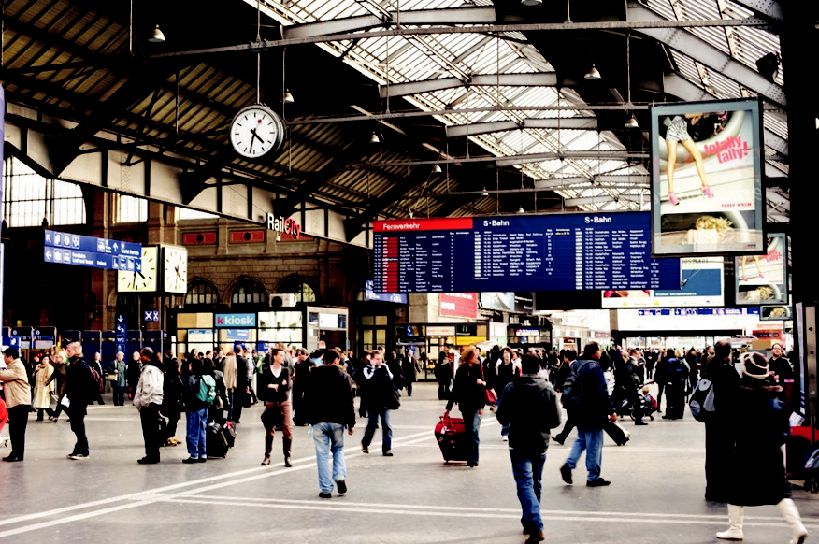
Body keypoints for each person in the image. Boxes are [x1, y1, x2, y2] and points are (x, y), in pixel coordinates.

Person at [715, 351, 808, 544]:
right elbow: (785, 428)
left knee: (735, 489)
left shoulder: (739, 395)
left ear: (745, 371)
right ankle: (797, 527)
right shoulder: (775, 397)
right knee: (780, 492)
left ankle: (735, 529)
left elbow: (729, 426)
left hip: (745, 452)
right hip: (772, 452)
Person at [495, 354, 562, 544]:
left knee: (525, 483)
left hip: (518, 441)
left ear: (522, 367)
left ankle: (535, 524)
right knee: (536, 482)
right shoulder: (547, 388)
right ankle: (530, 520)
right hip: (540, 442)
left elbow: (501, 416)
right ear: (539, 367)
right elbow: (556, 420)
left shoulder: (512, 388)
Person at [559, 342, 617, 487]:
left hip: (578, 410)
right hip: (593, 411)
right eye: (599, 350)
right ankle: (593, 476)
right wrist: (610, 410)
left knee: (581, 439)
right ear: (594, 353)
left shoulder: (576, 365)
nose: (601, 352)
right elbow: (602, 391)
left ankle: (569, 465)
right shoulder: (594, 367)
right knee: (594, 444)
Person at [303, 348, 356, 499]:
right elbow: (349, 402)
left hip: (318, 420)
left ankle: (326, 489)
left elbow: (306, 398)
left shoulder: (312, 375)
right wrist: (351, 423)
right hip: (337, 420)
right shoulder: (344, 376)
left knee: (322, 455)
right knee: (338, 449)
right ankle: (339, 476)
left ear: (323, 360)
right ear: (337, 360)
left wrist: (307, 417)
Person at [702, 339, 740, 503]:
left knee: (712, 452)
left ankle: (712, 489)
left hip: (711, 415)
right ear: (728, 352)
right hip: (726, 417)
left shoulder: (709, 366)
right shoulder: (728, 370)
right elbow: (735, 394)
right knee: (726, 452)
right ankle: (724, 489)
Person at [444, 346, 486, 467]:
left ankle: (474, 458)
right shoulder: (461, 370)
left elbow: (481, 388)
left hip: (476, 404)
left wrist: (481, 405)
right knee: (468, 431)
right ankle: (469, 457)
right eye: (474, 355)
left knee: (474, 431)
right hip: (465, 404)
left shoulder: (478, 368)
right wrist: (448, 407)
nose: (476, 357)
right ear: (468, 357)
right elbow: (457, 389)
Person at [664, 112, 713, 206]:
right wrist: (700, 113)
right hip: (674, 129)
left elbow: (692, 123)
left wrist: (698, 116)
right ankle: (671, 193)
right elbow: (686, 115)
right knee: (672, 160)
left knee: (698, 156)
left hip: (683, 130)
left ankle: (705, 186)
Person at [258, 347, 294, 467]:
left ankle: (287, 456)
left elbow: (287, 387)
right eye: (281, 355)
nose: (283, 357)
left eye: (283, 355)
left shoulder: (285, 370)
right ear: (274, 356)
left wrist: (273, 385)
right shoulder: (267, 370)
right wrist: (278, 385)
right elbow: (263, 388)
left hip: (284, 402)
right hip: (271, 402)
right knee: (270, 430)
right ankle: (267, 456)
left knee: (287, 429)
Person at [360, 350, 397, 457]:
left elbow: (391, 378)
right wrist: (374, 368)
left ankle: (387, 449)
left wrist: (385, 369)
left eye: (380, 359)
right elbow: (368, 379)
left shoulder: (385, 367)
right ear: (371, 359)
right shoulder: (367, 369)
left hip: (385, 401)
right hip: (372, 402)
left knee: (386, 425)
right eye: (377, 359)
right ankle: (365, 442)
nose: (379, 361)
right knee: (372, 425)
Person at [0, 347, 32, 462]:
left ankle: (18, 454)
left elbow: (2, 375)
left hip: (20, 403)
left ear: (10, 357)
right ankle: (15, 453)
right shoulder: (13, 366)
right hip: (16, 403)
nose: (3, 358)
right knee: (14, 430)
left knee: (18, 430)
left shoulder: (17, 366)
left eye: (4, 356)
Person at [134, 347, 164, 465]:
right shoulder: (157, 368)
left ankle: (151, 455)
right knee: (153, 431)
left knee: (148, 431)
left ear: (147, 356)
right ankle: (154, 455)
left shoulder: (149, 370)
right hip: (155, 402)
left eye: (142, 356)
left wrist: (142, 402)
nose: (140, 358)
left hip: (149, 404)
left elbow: (149, 386)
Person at [64, 342, 92, 460]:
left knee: (78, 425)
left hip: (79, 400)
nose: (66, 352)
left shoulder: (81, 365)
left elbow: (84, 385)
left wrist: (81, 399)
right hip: (73, 399)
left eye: (69, 350)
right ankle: (79, 448)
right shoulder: (73, 364)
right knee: (75, 425)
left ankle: (84, 450)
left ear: (76, 351)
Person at [182, 357, 210, 464]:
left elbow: (187, 393)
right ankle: (203, 454)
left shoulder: (191, 378)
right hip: (204, 407)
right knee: (202, 430)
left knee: (192, 431)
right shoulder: (204, 378)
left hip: (194, 408)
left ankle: (194, 455)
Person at [47, 350, 68, 422]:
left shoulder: (66, 366)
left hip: (66, 387)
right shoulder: (57, 366)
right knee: (62, 403)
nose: (56, 358)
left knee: (61, 402)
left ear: (62, 358)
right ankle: (71, 416)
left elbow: (67, 376)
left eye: (57, 357)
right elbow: (53, 375)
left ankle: (55, 416)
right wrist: (48, 381)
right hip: (60, 386)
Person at [292, 348, 311, 426]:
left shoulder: (310, 363)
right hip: (298, 386)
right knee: (298, 403)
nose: (299, 356)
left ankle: (304, 420)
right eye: (298, 355)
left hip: (305, 387)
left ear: (305, 354)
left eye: (300, 355)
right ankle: (298, 419)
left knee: (304, 404)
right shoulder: (299, 363)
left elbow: (307, 375)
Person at [32, 353, 55, 422]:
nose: (46, 361)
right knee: (40, 403)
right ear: (41, 360)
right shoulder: (39, 367)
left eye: (47, 359)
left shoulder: (49, 367)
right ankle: (41, 417)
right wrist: (35, 371)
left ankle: (52, 414)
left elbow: (51, 379)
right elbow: (33, 377)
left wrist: (51, 389)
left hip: (45, 388)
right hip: (38, 387)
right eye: (44, 359)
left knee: (43, 403)